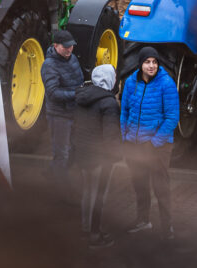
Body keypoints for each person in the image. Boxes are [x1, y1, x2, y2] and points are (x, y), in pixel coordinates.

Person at [121, 46, 179, 240]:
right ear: (140, 64)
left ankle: (167, 228)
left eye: (154, 62)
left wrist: (155, 142)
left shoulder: (166, 84)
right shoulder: (131, 82)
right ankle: (143, 221)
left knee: (161, 187)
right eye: (147, 62)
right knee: (140, 184)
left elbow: (172, 117)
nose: (151, 66)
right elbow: (124, 111)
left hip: (157, 146)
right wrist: (125, 136)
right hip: (134, 143)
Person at [73, 64, 121, 249]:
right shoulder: (108, 102)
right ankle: (95, 235)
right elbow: (110, 134)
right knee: (99, 195)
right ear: (109, 79)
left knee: (87, 192)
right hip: (100, 157)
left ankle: (86, 229)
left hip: (83, 153)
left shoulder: (81, 97)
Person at [40, 29, 83, 195]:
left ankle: (52, 173)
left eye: (71, 46)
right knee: (62, 153)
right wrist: (76, 94)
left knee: (74, 149)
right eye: (65, 46)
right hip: (59, 116)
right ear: (55, 45)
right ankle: (62, 191)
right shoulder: (49, 65)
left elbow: (78, 81)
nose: (69, 49)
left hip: (74, 112)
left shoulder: (72, 58)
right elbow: (53, 93)